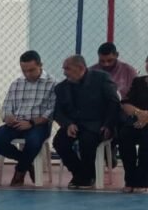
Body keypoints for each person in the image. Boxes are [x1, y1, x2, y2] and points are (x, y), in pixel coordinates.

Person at [0, 50, 57, 186]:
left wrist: (31, 122)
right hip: (17, 122)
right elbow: (7, 106)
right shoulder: (17, 83)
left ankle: (20, 171)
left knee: (33, 141)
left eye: (31, 70)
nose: (27, 74)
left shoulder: (52, 83)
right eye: (24, 70)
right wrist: (8, 117)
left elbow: (52, 110)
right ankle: (27, 163)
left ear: (40, 65)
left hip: (38, 124)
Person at [51, 54, 120, 189]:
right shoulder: (61, 88)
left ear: (81, 68)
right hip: (74, 125)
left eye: (67, 69)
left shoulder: (102, 79)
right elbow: (58, 112)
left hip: (98, 124)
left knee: (87, 142)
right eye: (64, 69)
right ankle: (81, 174)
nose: (64, 73)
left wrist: (108, 125)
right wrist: (68, 124)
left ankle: (86, 177)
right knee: (59, 142)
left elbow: (114, 103)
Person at [118, 55, 148, 192]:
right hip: (137, 121)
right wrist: (139, 113)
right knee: (125, 135)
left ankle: (142, 181)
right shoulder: (138, 81)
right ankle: (130, 180)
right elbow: (126, 103)